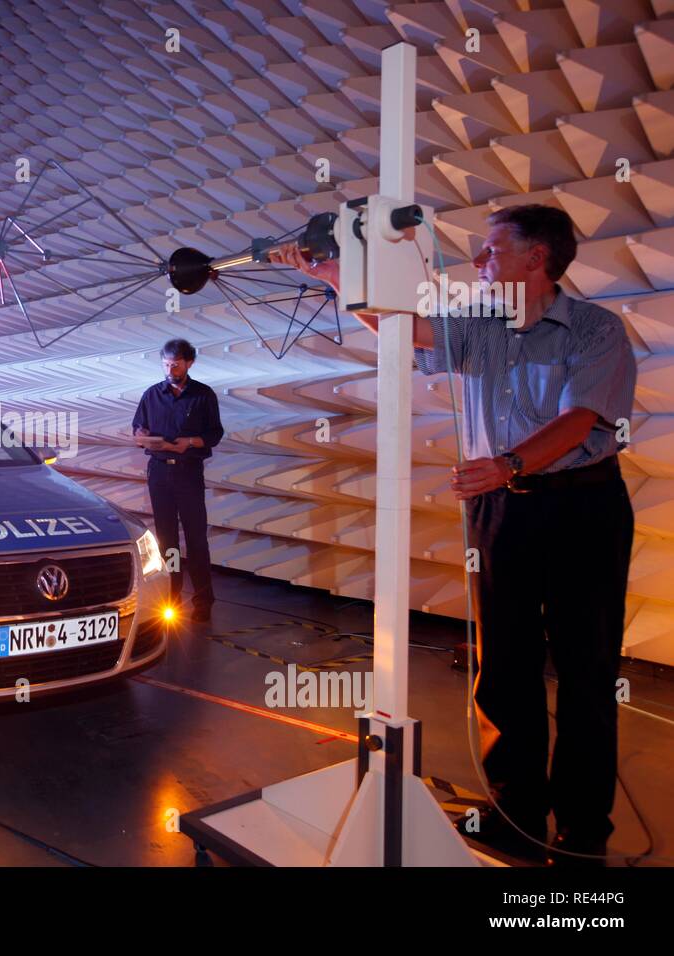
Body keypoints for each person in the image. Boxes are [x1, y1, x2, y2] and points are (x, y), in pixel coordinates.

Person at [270, 204, 637, 867]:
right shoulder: (480, 326)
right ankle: (513, 812)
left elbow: (581, 420)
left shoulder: (593, 329)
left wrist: (510, 463)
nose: (478, 262)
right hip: (503, 511)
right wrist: (331, 275)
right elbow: (400, 328)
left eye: (492, 252)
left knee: (586, 676)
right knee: (503, 669)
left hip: (582, 510)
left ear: (537, 258)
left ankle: (583, 836)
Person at [132, 338, 225, 623]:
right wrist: (141, 435)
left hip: (188, 471)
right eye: (166, 364)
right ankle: (170, 599)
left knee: (196, 539)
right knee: (167, 541)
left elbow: (214, 434)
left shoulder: (203, 395)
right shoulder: (151, 395)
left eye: (176, 364)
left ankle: (203, 602)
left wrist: (191, 441)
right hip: (159, 473)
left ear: (189, 363)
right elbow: (138, 426)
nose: (170, 369)